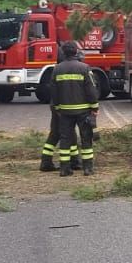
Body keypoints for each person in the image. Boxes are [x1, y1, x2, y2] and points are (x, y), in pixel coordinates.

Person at [50, 40, 100, 176]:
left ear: (63, 52)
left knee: (65, 139)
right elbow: (91, 89)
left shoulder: (57, 69)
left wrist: (57, 107)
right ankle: (88, 168)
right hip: (83, 111)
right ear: (76, 51)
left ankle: (64, 169)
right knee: (86, 138)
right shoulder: (84, 68)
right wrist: (95, 107)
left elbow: (53, 91)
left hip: (65, 111)